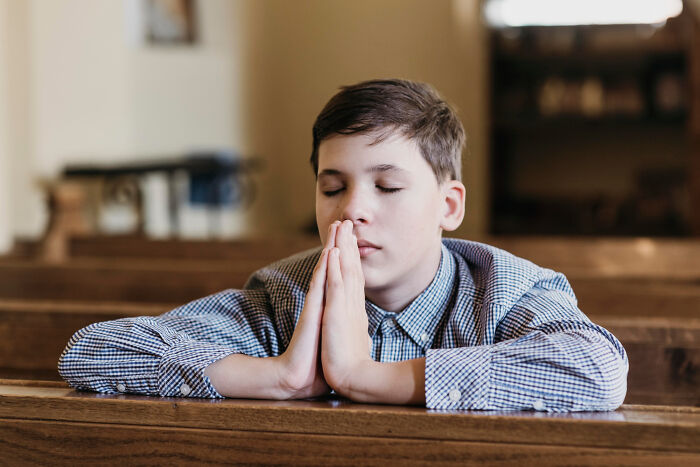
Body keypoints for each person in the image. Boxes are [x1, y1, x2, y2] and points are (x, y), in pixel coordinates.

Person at [58, 79, 628, 411]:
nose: (352, 208)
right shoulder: (285, 296)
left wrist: (364, 376)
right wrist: (279, 377)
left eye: (387, 185)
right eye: (333, 187)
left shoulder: (506, 290)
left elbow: (599, 367)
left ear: (448, 206)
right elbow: (91, 351)